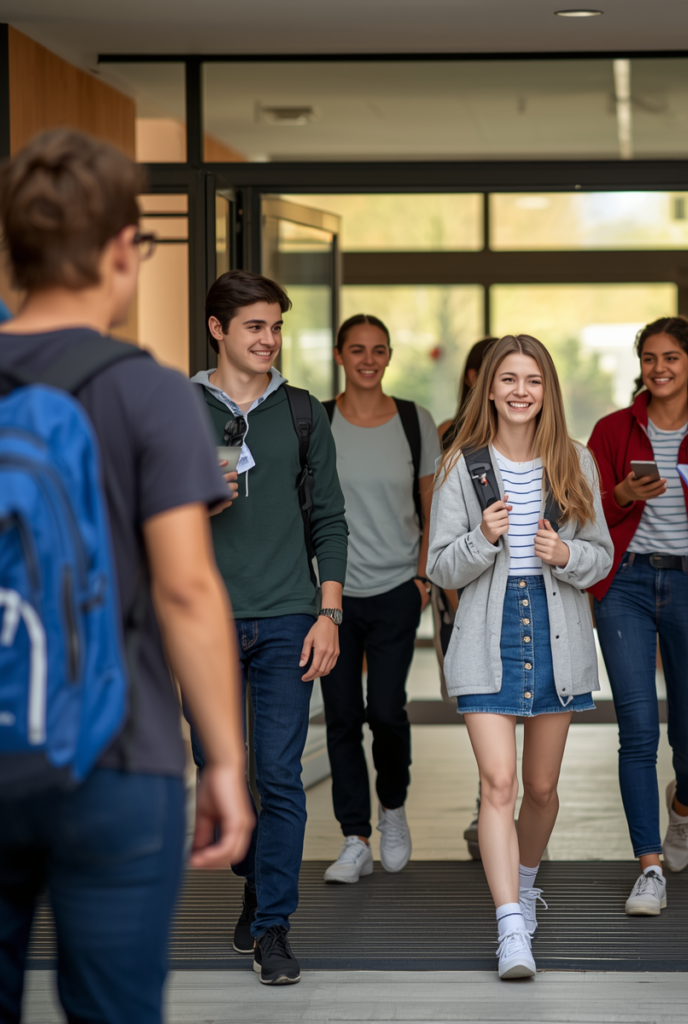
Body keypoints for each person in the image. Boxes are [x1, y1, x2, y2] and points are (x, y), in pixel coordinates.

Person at [0, 129, 253, 1024]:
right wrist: (222, 759)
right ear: (119, 250)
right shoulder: (146, 390)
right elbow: (187, 590)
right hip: (116, 750)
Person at [427, 334, 613, 980]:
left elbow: (601, 555)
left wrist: (566, 556)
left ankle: (525, 881)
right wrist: (483, 538)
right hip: (488, 634)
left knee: (540, 790)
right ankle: (510, 927)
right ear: (490, 387)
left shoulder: (575, 464)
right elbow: (440, 565)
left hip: (556, 631)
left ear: (547, 391)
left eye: (532, 380)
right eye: (508, 379)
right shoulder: (463, 466)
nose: (519, 391)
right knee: (498, 784)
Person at [192, 270, 349, 985]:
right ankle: (255, 879)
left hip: (290, 616)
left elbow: (330, 522)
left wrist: (330, 612)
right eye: (255, 326)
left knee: (279, 776)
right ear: (218, 329)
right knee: (222, 773)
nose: (269, 340)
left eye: (277, 327)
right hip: (206, 621)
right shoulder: (177, 409)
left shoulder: (304, 412)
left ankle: (275, 926)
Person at [587, 316, 688, 915]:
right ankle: (649, 866)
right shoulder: (611, 430)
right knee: (636, 730)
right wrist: (622, 497)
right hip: (625, 585)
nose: (659, 369)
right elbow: (586, 513)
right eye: (650, 358)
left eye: (671, 359)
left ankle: (682, 808)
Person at [319, 314, 441, 884]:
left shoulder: (415, 422)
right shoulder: (316, 422)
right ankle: (355, 836)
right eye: (357, 349)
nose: (368, 358)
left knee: (386, 710)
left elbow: (432, 508)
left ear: (389, 356)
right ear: (340, 355)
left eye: (378, 349)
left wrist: (422, 579)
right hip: (333, 595)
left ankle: (392, 809)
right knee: (342, 716)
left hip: (397, 588)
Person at [436, 337, 498, 858]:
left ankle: (500, 805)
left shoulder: (558, 455)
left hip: (519, 595)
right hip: (462, 586)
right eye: (492, 373)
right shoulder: (451, 442)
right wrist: (454, 599)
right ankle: (491, 801)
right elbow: (438, 527)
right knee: (483, 706)